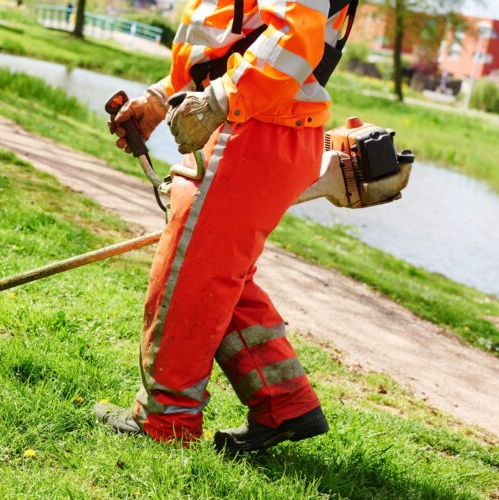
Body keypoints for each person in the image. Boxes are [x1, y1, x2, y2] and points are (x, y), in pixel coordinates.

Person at [95, 0, 353, 454]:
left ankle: (166, 420)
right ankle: (285, 401)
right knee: (215, 268)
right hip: (258, 119)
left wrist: (220, 98)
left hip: (257, 123)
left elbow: (295, 36)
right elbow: (224, 38)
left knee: (190, 274)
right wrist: (161, 99)